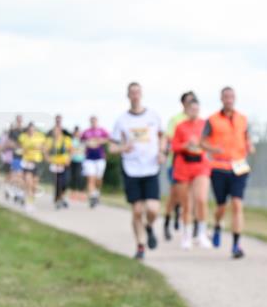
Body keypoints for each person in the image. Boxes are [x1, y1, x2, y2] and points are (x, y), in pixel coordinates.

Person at [111, 81, 165, 259]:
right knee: (137, 210)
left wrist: (162, 152)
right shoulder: (122, 120)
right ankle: (140, 246)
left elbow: (162, 137)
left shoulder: (153, 116)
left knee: (153, 209)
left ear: (141, 94)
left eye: (137, 92)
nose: (135, 95)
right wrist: (123, 148)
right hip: (132, 169)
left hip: (150, 168)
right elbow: (112, 147)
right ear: (128, 96)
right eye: (132, 92)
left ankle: (149, 226)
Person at [202, 87, 254, 259]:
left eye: (231, 96)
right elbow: (202, 142)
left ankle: (236, 245)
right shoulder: (212, 119)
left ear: (235, 98)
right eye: (226, 97)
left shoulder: (242, 119)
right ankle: (217, 224)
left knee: (237, 204)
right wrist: (213, 149)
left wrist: (249, 146)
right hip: (219, 167)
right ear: (221, 99)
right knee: (221, 206)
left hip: (239, 167)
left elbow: (246, 137)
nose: (229, 99)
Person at [170, 96, 213, 250]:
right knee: (186, 203)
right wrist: (185, 145)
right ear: (186, 110)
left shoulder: (205, 125)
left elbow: (211, 143)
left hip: (200, 165)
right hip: (183, 166)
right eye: (191, 109)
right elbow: (174, 146)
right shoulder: (180, 126)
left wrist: (202, 145)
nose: (194, 111)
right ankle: (186, 236)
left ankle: (201, 234)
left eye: (196, 109)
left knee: (201, 199)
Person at [164, 91, 196, 240]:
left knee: (193, 196)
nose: (191, 103)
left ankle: (191, 225)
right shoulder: (175, 120)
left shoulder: (199, 120)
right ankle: (168, 221)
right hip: (177, 163)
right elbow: (169, 139)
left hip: (194, 163)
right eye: (189, 101)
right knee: (175, 196)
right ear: (183, 103)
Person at [81, 116, 110, 208]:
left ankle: (97, 192)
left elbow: (108, 138)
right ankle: (92, 197)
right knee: (90, 178)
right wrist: (87, 143)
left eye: (95, 121)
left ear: (97, 121)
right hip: (89, 158)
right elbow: (81, 141)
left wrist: (101, 141)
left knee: (98, 179)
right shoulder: (86, 132)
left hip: (100, 157)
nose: (93, 123)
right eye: (92, 121)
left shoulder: (102, 130)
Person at [45, 122, 74, 209]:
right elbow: (45, 150)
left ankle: (61, 197)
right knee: (58, 182)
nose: (55, 132)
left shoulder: (66, 139)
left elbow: (71, 150)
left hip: (64, 164)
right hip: (55, 164)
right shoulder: (51, 140)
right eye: (54, 131)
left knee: (65, 182)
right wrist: (48, 159)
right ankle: (58, 199)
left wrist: (69, 159)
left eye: (57, 130)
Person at [18, 122, 46, 210]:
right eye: (29, 130)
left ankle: (31, 201)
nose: (31, 131)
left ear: (35, 130)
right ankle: (28, 203)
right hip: (27, 162)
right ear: (27, 130)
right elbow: (21, 148)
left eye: (32, 130)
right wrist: (27, 148)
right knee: (28, 182)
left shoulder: (40, 137)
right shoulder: (23, 137)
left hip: (37, 162)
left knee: (34, 184)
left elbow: (44, 147)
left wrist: (40, 148)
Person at [70, 126, 86, 199]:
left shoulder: (82, 141)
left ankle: (81, 192)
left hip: (80, 160)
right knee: (74, 177)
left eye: (78, 132)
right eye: (76, 132)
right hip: (73, 160)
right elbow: (71, 150)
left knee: (80, 177)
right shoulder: (72, 140)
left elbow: (83, 150)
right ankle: (74, 192)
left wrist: (76, 150)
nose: (77, 133)